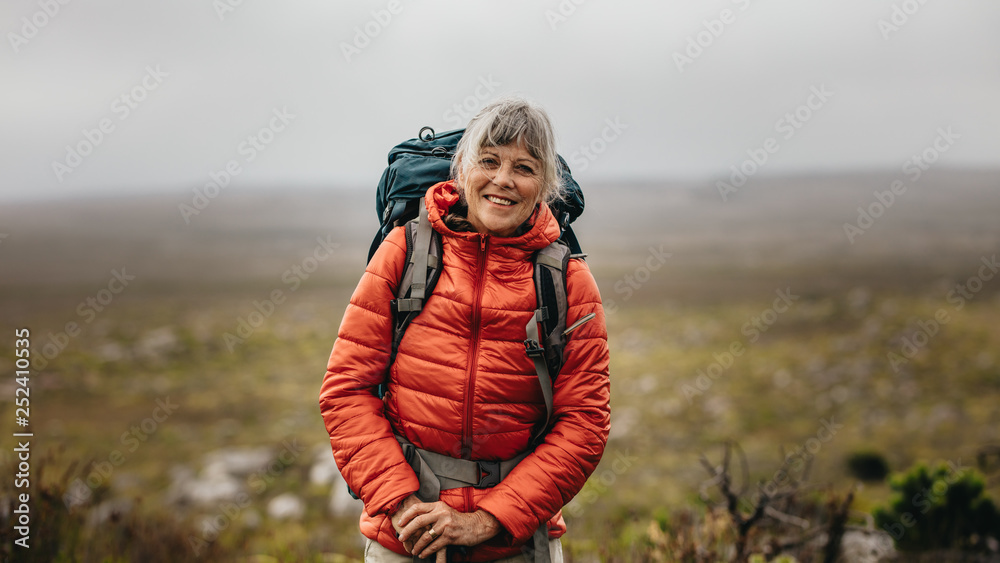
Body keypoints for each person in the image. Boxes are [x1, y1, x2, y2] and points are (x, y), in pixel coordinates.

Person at [318, 97, 610, 562]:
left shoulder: (567, 279)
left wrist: (486, 521)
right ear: (461, 169)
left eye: (525, 167)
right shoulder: (404, 250)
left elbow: (585, 423)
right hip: (405, 535)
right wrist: (401, 503)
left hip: (516, 543)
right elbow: (346, 389)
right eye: (488, 161)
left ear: (545, 186)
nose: (503, 180)